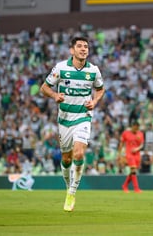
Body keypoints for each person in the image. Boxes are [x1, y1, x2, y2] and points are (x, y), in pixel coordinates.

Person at [40, 36, 105, 212]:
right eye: (79, 46)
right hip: (64, 119)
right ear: (72, 50)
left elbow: (100, 89)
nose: (84, 49)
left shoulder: (93, 70)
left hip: (83, 116)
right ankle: (68, 186)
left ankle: (72, 192)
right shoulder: (61, 68)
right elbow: (44, 88)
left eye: (86, 47)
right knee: (67, 158)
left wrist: (95, 101)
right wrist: (55, 96)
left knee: (78, 154)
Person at [118, 121, 144, 193]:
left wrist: (137, 149)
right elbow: (121, 143)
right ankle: (136, 188)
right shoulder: (126, 133)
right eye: (135, 128)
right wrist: (119, 154)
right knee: (133, 169)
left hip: (137, 154)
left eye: (137, 128)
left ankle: (125, 185)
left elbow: (141, 145)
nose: (136, 130)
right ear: (132, 127)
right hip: (129, 154)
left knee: (133, 171)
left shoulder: (140, 134)